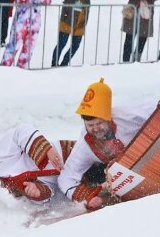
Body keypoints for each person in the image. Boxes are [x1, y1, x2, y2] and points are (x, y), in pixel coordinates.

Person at [57, 78, 154, 210]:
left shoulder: (127, 115)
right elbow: (66, 177)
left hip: (150, 154)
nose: (96, 129)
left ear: (108, 118)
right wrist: (87, 197)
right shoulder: (85, 145)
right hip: (119, 175)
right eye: (90, 125)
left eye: (99, 123)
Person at [1, 0, 53, 68]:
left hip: (35, 21)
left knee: (28, 48)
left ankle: (22, 70)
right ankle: (4, 68)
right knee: (14, 45)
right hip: (21, 20)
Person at [52, 0, 102, 67]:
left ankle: (64, 64)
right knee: (61, 44)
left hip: (81, 23)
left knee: (75, 46)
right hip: (67, 20)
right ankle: (53, 64)